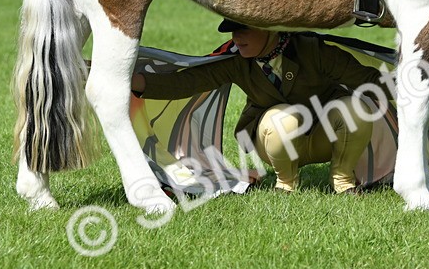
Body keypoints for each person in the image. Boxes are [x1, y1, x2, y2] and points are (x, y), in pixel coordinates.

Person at [132, 19, 383, 194]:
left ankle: (343, 182)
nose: (236, 38)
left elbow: (366, 79)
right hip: (273, 138)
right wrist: (134, 82)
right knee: (283, 118)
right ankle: (286, 184)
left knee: (356, 107)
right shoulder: (235, 59)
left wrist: (412, 86)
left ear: (271, 27)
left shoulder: (313, 50)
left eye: (244, 29)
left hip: (322, 136)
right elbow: (186, 82)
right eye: (232, 31)